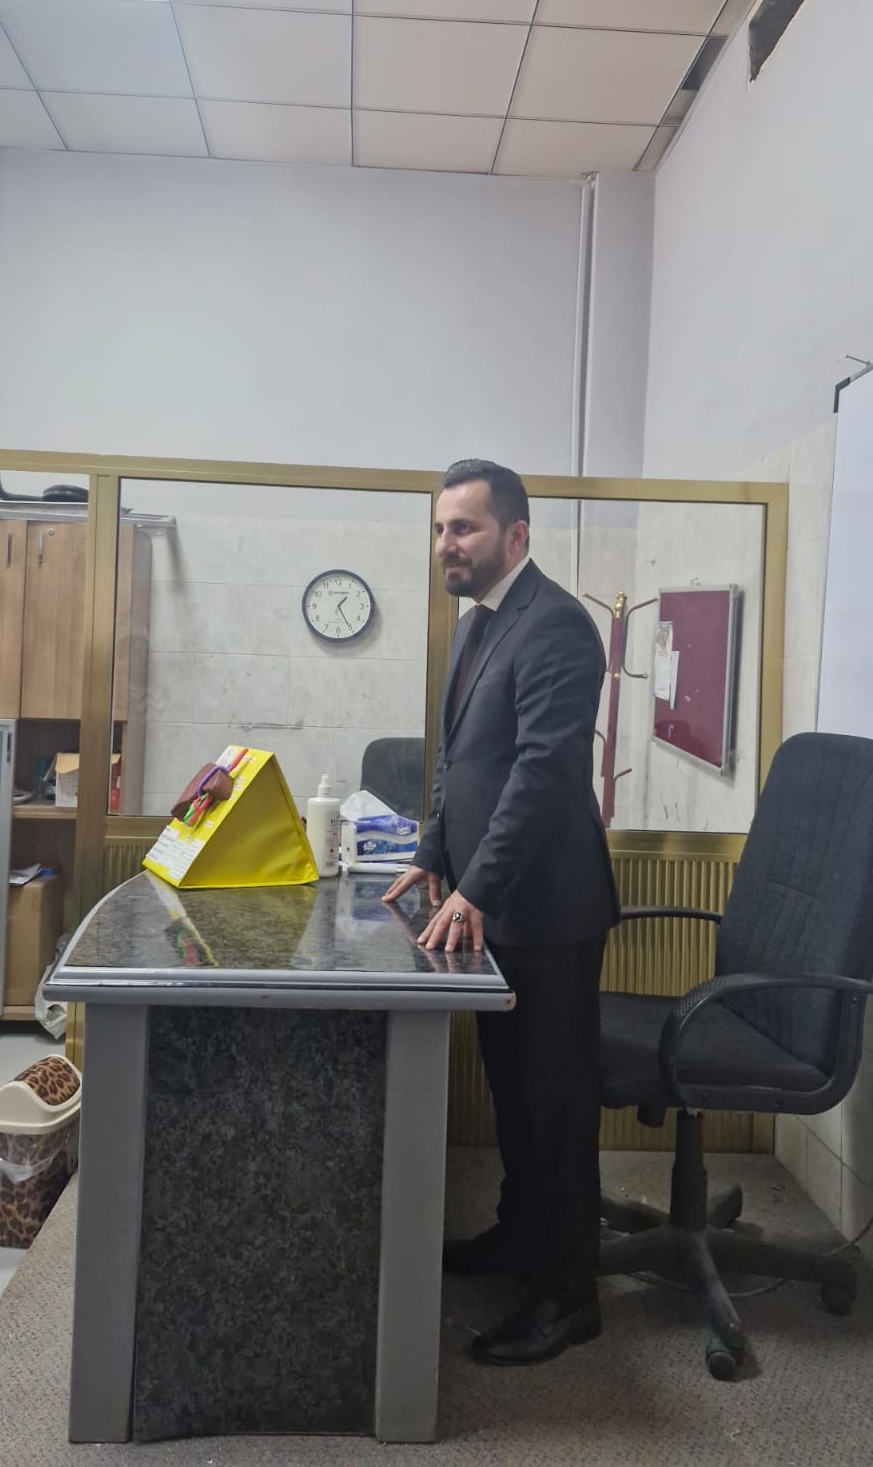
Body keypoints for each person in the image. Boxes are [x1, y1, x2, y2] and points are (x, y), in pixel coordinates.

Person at [383, 459, 619, 1366]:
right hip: (490, 910)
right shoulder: (478, 621)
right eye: (441, 528)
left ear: (515, 535)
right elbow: (459, 760)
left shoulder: (556, 625)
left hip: (548, 912)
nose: (446, 544)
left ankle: (569, 1296)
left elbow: (543, 773)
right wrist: (433, 850)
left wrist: (475, 885)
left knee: (555, 1108)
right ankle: (522, 1240)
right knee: (513, 1097)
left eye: (464, 528)